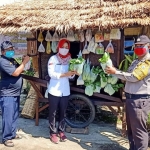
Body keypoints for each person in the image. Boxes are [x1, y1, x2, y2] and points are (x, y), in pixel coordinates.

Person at [105, 35, 150, 150]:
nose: (138, 47)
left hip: (139, 101)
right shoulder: (136, 61)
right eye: (136, 46)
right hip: (131, 99)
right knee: (131, 130)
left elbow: (134, 77)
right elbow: (128, 76)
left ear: (148, 46)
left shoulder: (147, 62)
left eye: (141, 45)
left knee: (139, 132)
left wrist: (115, 72)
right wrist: (116, 72)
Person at [47, 38, 77, 144]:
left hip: (65, 90)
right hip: (54, 90)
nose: (64, 49)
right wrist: (65, 74)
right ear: (58, 47)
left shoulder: (70, 59)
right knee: (53, 112)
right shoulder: (53, 59)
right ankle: (53, 133)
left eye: (66, 47)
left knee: (63, 112)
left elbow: (70, 77)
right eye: (62, 47)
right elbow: (52, 75)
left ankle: (61, 131)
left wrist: (74, 73)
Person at [0, 41, 30, 147]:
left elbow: (19, 70)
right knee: (8, 116)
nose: (11, 51)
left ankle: (12, 133)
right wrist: (24, 62)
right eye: (8, 50)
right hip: (7, 93)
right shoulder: (2, 61)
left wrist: (22, 62)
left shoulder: (11, 60)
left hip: (15, 93)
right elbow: (15, 73)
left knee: (14, 115)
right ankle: (6, 138)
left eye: (12, 49)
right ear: (3, 52)